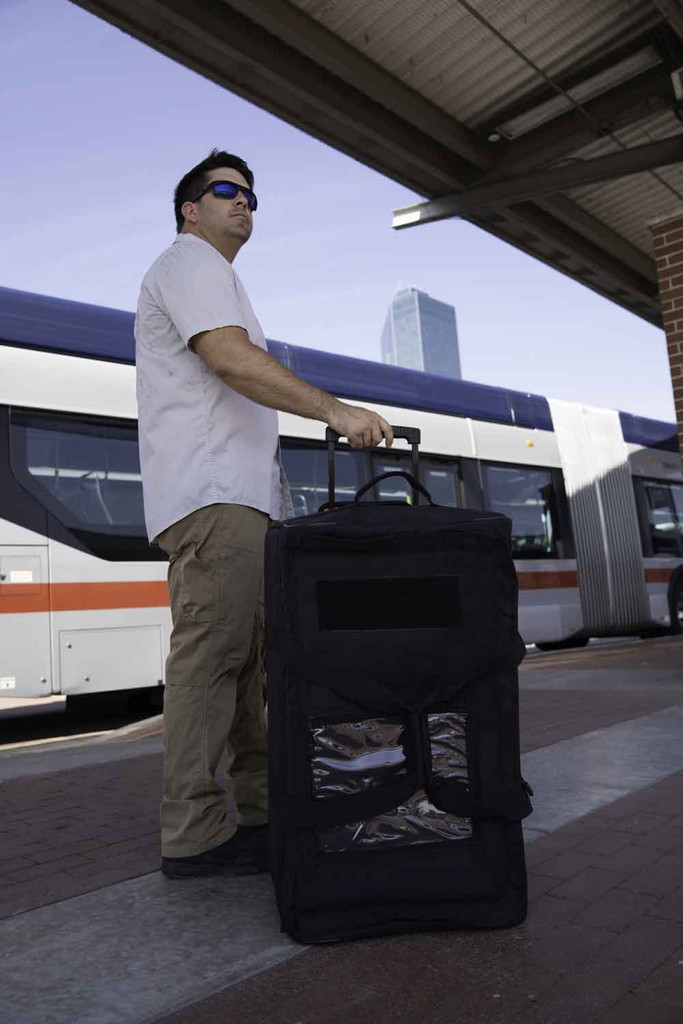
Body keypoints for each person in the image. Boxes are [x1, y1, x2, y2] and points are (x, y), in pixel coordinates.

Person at [134, 149, 393, 878]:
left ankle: (254, 812)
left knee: (244, 671)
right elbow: (231, 360)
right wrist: (334, 410)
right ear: (191, 208)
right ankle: (192, 831)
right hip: (213, 498)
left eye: (251, 195)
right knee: (211, 665)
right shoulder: (188, 263)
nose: (244, 203)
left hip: (239, 500)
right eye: (227, 191)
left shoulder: (220, 277)